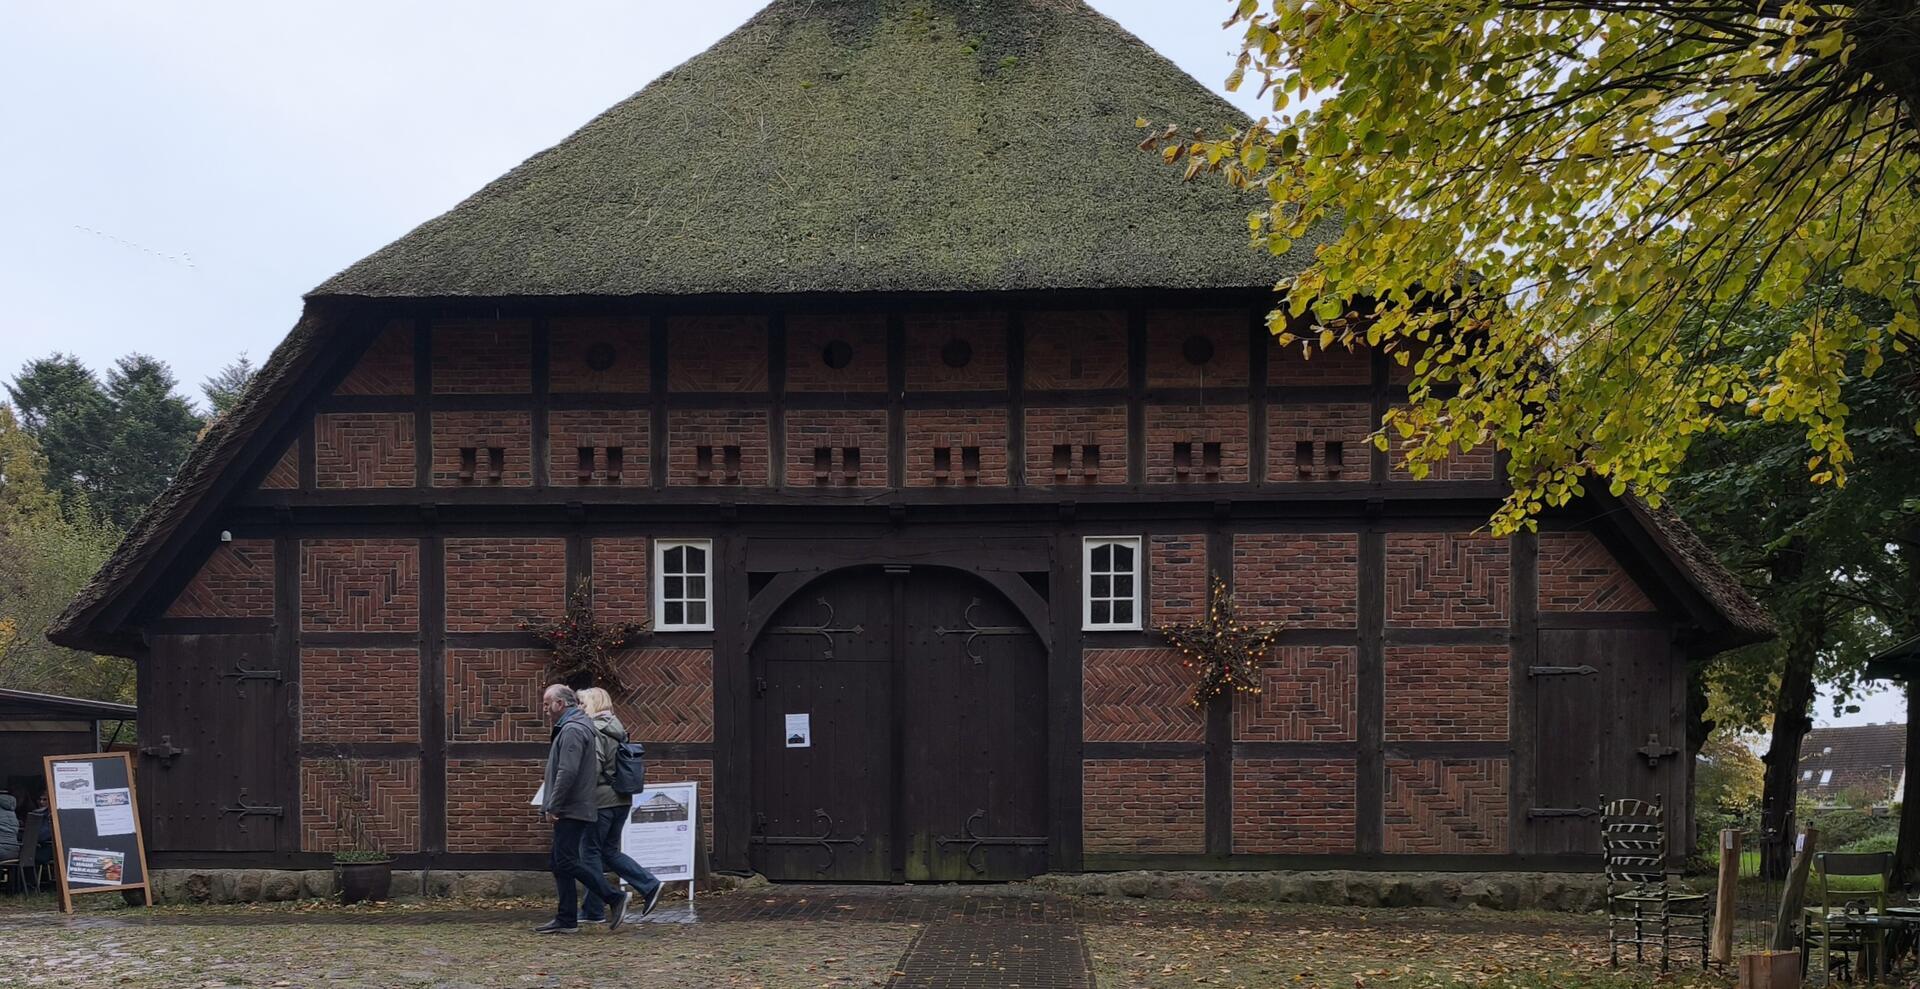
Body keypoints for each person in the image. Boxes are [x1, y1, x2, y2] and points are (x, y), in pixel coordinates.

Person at [535, 683, 629, 933]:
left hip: (572, 807)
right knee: (559, 861)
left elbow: (567, 771)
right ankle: (566, 918)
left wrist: (553, 804)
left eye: (547, 704)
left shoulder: (573, 730)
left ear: (560, 704)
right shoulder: (573, 726)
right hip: (574, 805)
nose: (545, 710)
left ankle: (613, 897)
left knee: (566, 861)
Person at [575, 687, 663, 924]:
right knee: (609, 851)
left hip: (601, 801)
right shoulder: (618, 728)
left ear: (591, 705)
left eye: (581, 704)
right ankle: (649, 885)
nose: (579, 708)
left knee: (589, 854)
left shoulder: (593, 730)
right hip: (622, 799)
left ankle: (593, 911)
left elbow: (593, 769)